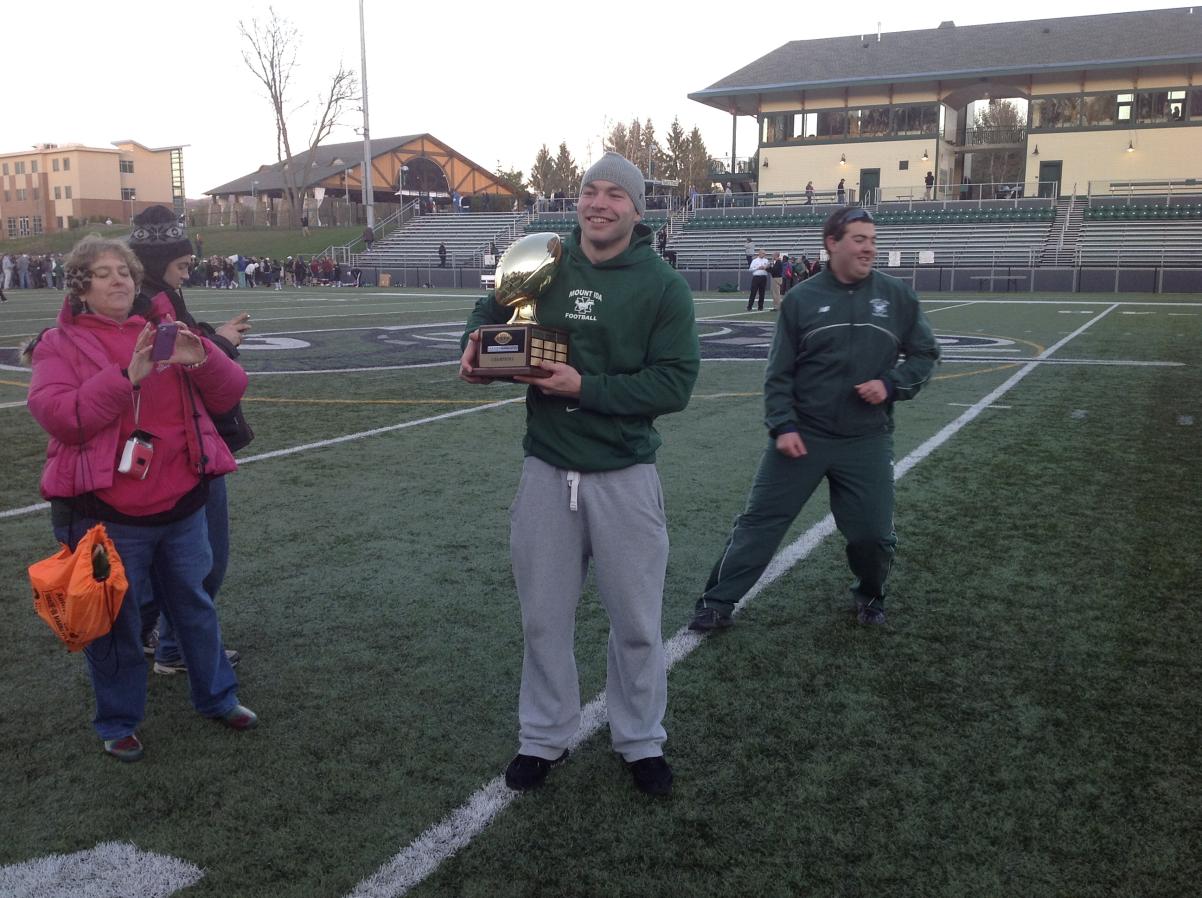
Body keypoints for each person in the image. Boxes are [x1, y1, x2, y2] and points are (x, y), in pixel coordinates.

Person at [458, 152, 699, 797]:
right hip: (547, 467)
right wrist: (474, 353)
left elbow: (675, 383)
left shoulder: (662, 286)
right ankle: (544, 736)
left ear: (637, 209)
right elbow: (488, 314)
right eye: (590, 191)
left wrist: (584, 387)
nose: (599, 203)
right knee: (543, 616)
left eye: (614, 195)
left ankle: (640, 739)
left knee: (638, 622)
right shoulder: (545, 259)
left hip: (623, 471)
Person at [24, 236, 258, 762]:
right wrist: (124, 377)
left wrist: (202, 360)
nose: (118, 280)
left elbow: (229, 391)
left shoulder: (164, 332)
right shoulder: (58, 345)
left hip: (181, 507)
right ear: (80, 288)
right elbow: (62, 417)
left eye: (124, 272)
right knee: (115, 624)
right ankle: (119, 720)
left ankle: (218, 697)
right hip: (105, 517)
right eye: (103, 273)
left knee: (195, 608)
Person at [689, 207, 940, 633]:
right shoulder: (802, 299)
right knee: (759, 524)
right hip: (801, 435)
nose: (868, 248)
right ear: (832, 244)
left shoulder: (897, 297)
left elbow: (925, 355)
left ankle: (870, 595)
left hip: (866, 438)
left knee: (873, 535)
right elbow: (778, 373)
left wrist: (892, 384)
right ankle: (716, 602)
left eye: (872, 240)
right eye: (859, 239)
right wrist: (782, 425)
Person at [127, 204, 253, 675]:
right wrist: (220, 344)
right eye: (180, 262)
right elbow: (178, 368)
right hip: (184, 445)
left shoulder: (156, 299)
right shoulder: (154, 304)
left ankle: (149, 635)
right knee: (203, 559)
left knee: (165, 559)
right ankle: (176, 648)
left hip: (163, 445)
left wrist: (213, 339)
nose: (189, 268)